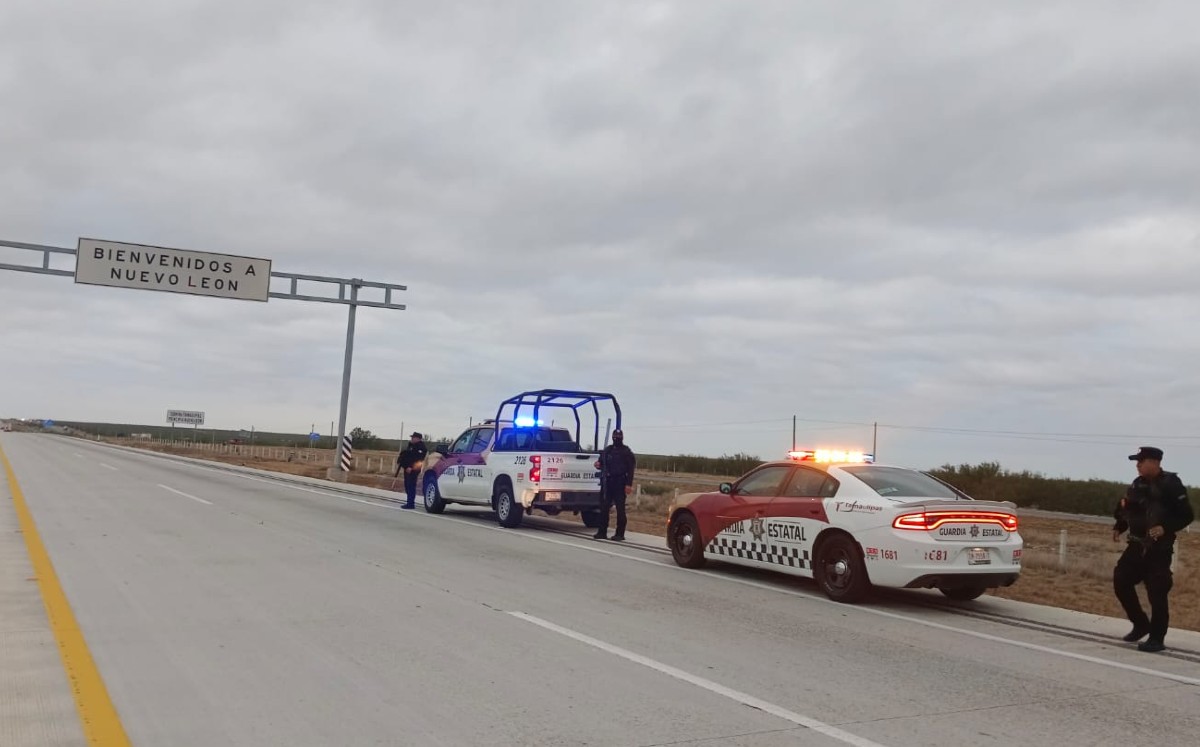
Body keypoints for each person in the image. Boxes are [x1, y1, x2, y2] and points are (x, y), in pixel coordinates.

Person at [1112, 446, 1195, 652]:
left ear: (1155, 462)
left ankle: (1157, 638)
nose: (1138, 465)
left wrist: (1165, 527)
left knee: (1157, 592)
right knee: (1121, 580)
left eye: (1141, 461)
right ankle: (1140, 624)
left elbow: (1186, 515)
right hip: (1136, 545)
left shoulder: (1171, 484)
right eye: (1137, 462)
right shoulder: (1138, 484)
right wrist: (1119, 525)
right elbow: (1127, 508)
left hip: (1159, 549)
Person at [595, 429, 636, 541]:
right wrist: (598, 464)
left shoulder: (626, 452)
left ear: (622, 437)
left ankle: (620, 533)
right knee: (604, 507)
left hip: (620, 482)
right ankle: (602, 531)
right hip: (608, 482)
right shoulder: (608, 450)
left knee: (620, 508)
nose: (616, 438)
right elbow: (600, 463)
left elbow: (631, 469)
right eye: (615, 436)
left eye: (618, 436)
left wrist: (628, 484)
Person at [396, 432, 427, 510]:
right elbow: (408, 455)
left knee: (411, 485)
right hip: (407, 468)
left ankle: (410, 503)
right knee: (407, 485)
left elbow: (418, 459)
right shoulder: (411, 446)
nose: (412, 439)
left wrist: (411, 467)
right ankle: (409, 501)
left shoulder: (421, 447)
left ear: (418, 438)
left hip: (413, 469)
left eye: (413, 437)